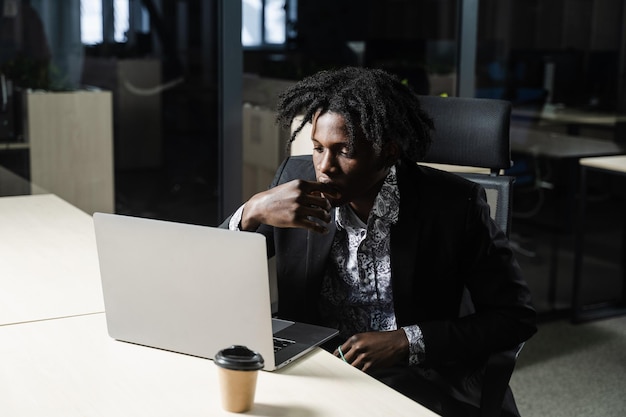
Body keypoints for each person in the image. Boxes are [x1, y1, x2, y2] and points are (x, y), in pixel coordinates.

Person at [221, 67, 536, 416]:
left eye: (345, 151)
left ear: (387, 153)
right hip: (315, 369)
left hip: (418, 378)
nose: (325, 167)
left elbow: (515, 316)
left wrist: (407, 341)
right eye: (317, 148)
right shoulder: (296, 184)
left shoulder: (453, 206)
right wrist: (251, 211)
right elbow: (209, 266)